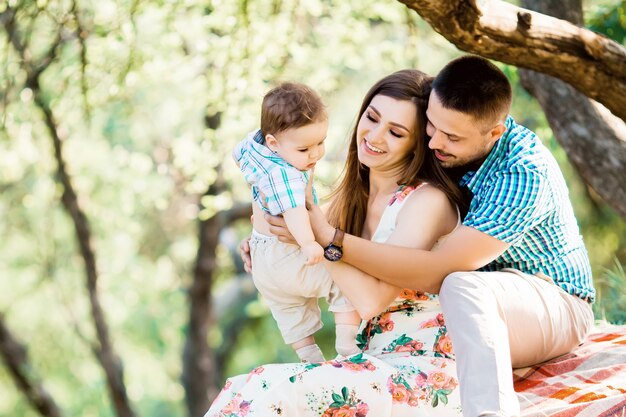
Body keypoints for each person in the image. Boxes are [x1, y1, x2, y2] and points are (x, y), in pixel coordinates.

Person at [269, 56, 594, 417]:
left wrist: (332, 241)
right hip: (482, 304)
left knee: (460, 286)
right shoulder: (444, 152)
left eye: (451, 136)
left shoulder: (521, 175)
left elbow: (436, 270)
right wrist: (274, 245)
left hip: (552, 301)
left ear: (494, 133)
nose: (436, 142)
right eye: (431, 126)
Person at [207, 69, 468, 417]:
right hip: (367, 364)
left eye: (395, 132)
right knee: (242, 387)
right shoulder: (348, 202)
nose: (374, 135)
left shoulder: (426, 203)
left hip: (419, 372)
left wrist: (321, 237)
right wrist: (267, 243)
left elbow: (371, 299)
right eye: (372, 118)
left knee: (265, 390)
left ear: (417, 142)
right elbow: (310, 257)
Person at [233, 82, 361, 363]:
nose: (315, 154)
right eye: (304, 149)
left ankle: (309, 358)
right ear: (274, 143)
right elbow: (293, 210)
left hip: (263, 262)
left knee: (289, 309)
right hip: (289, 254)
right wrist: (308, 243)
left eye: (321, 143)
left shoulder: (254, 150)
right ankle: (348, 347)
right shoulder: (286, 174)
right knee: (343, 279)